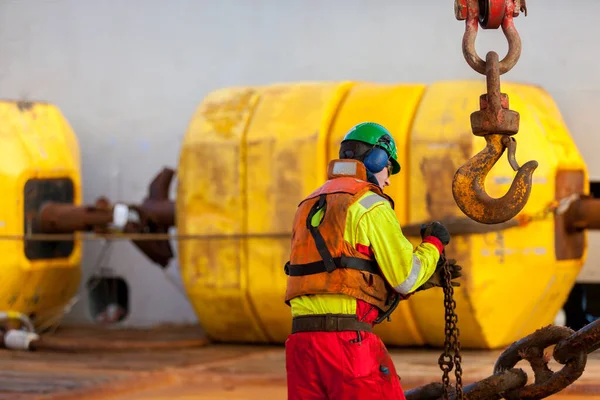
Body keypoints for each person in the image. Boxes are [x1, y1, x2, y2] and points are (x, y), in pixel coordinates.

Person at [283, 122, 462, 399]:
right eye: (388, 168)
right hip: (347, 345)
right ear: (376, 158)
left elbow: (340, 271)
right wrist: (433, 245)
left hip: (301, 345)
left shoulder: (308, 204)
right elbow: (406, 278)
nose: (388, 179)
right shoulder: (370, 203)